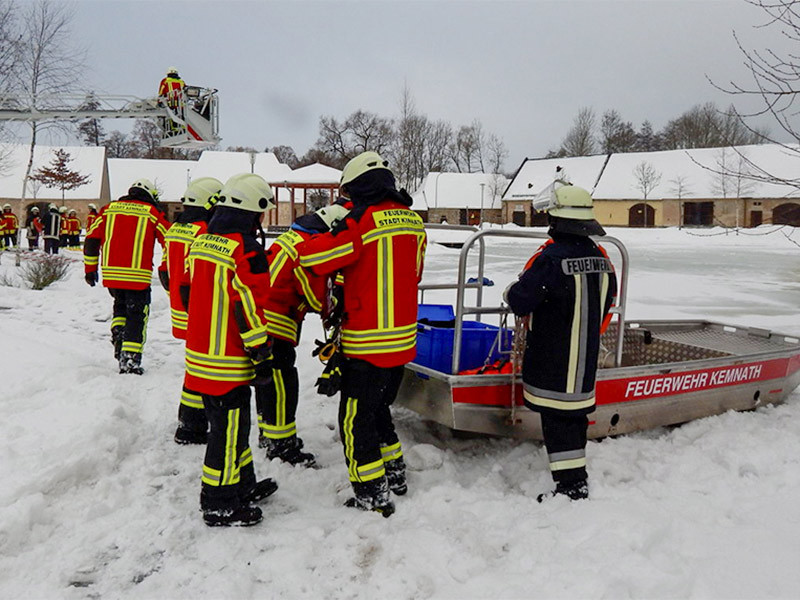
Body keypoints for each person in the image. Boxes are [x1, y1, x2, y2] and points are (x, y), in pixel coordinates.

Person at [297, 151, 427, 517]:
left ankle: (371, 493)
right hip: (402, 344)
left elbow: (316, 259)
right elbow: (413, 273)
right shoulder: (414, 223)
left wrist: (311, 236)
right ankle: (395, 473)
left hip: (367, 344)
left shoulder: (361, 222)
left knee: (355, 421)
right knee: (379, 410)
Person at [504, 183, 617, 502]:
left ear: (556, 220)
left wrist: (510, 292)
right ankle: (574, 478)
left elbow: (522, 299)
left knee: (557, 422)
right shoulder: (601, 258)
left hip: (553, 358)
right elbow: (608, 301)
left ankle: (571, 489)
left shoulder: (552, 259)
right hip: (585, 359)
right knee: (574, 419)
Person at [184, 173, 278, 527]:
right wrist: (261, 353)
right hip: (228, 360)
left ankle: (242, 484)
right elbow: (248, 306)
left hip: (201, 356)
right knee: (227, 432)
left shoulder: (203, 241)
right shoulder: (246, 250)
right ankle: (219, 502)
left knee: (232, 427)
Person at [255, 201, 351, 467]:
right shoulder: (308, 245)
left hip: (261, 317)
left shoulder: (295, 235)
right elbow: (312, 289)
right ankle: (282, 446)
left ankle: (268, 432)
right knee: (283, 381)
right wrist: (330, 310)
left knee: (267, 380)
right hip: (277, 318)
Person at [83, 179, 170, 374]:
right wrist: (170, 267)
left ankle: (118, 334)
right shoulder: (151, 212)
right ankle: (130, 361)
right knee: (137, 317)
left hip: (112, 276)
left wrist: (90, 269)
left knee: (120, 307)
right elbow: (170, 239)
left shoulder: (108, 210)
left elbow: (91, 239)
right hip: (137, 277)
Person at [164, 176, 223, 445]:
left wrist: (176, 297)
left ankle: (191, 422)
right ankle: (192, 426)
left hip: (181, 308)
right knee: (200, 369)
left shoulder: (176, 228)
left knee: (194, 366)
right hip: (198, 309)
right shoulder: (203, 230)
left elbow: (164, 271)